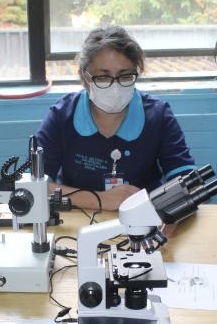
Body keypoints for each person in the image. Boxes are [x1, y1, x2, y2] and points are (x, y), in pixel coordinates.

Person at [35, 25, 196, 211]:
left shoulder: (158, 115)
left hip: (143, 220)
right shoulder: (62, 115)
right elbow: (35, 185)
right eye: (103, 77)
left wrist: (165, 212)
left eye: (125, 76)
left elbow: (186, 181)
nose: (115, 86)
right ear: (84, 78)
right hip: (77, 218)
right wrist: (99, 200)